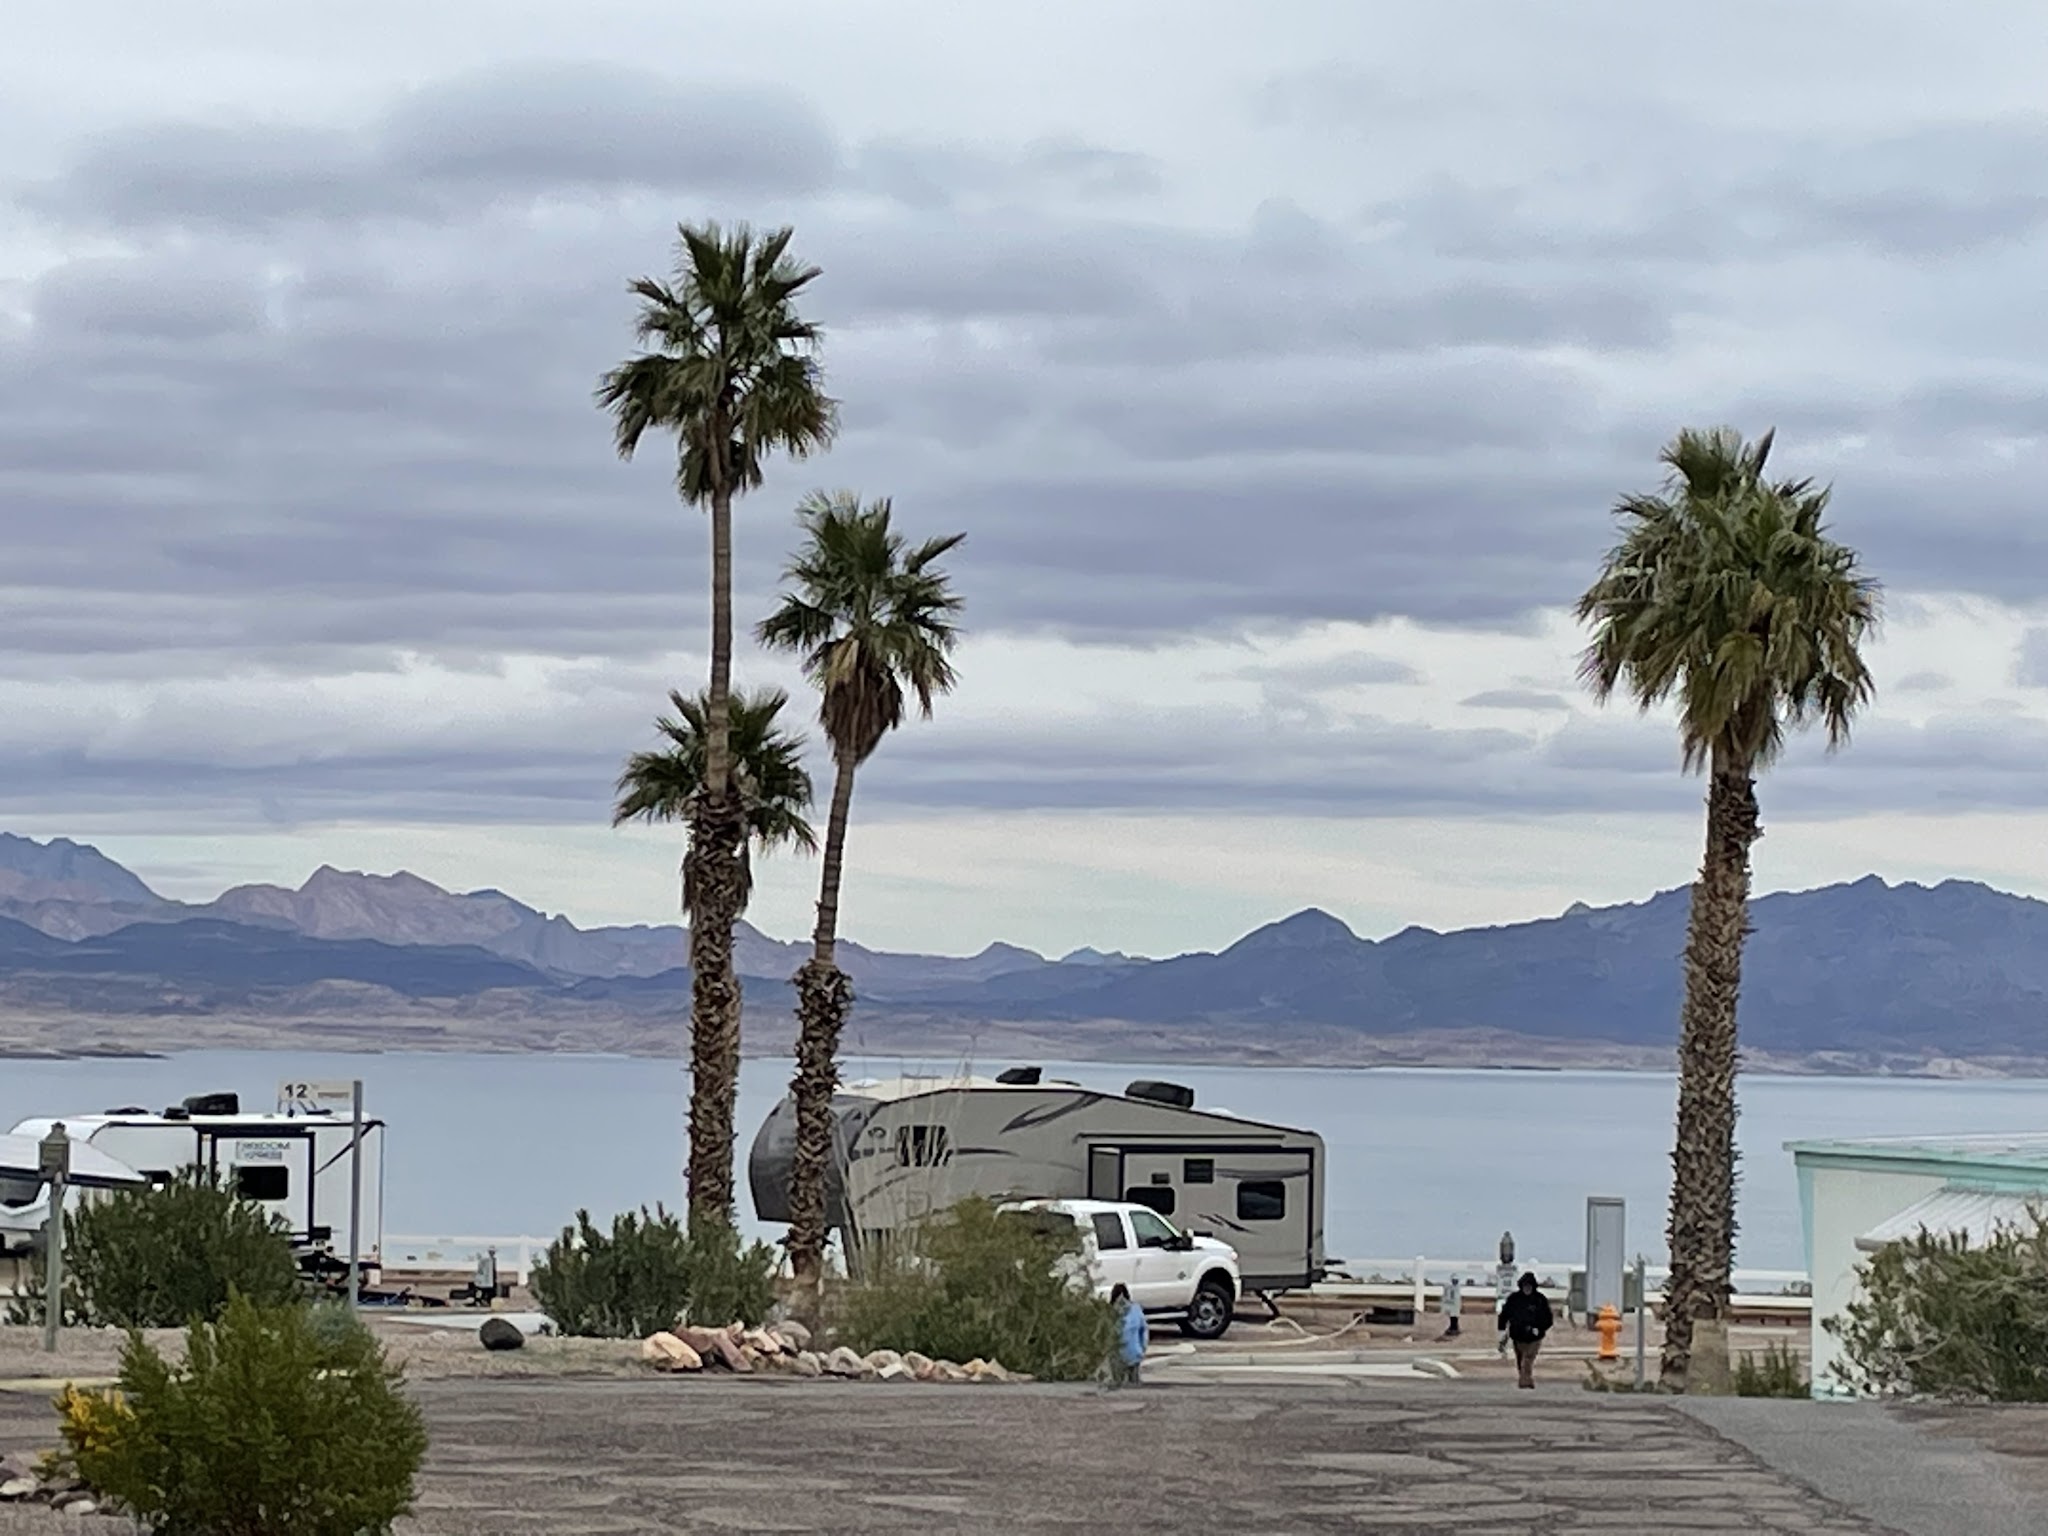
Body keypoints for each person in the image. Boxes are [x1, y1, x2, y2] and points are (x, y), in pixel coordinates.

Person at [1497, 1271, 1553, 1389]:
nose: (1527, 1288)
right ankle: (1524, 1377)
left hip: (1535, 1336)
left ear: (1533, 1286)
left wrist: (1540, 1328)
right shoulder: (1514, 1299)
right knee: (1520, 1359)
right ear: (1521, 1286)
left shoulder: (1540, 1300)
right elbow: (1504, 1315)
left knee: (1528, 1358)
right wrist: (1501, 1330)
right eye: (1525, 1286)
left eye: (1529, 1286)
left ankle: (1525, 1381)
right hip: (1518, 1336)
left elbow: (1548, 1318)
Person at [1110, 1282, 1148, 1388]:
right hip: (1135, 1352)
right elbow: (1144, 1331)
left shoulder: (1110, 1312)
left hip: (1118, 1355)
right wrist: (1142, 1348)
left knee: (1118, 1384)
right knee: (1134, 1384)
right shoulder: (1136, 1309)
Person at [1440, 1272, 1463, 1339]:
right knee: (1453, 1317)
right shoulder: (1452, 1288)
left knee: (1454, 1317)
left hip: (1455, 1305)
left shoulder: (1455, 1288)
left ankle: (1454, 1328)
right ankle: (1453, 1328)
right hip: (1453, 1305)